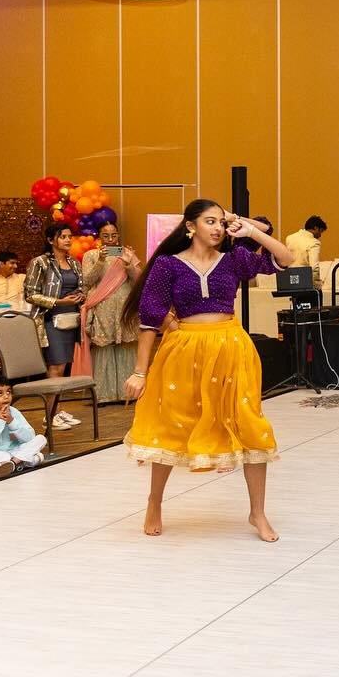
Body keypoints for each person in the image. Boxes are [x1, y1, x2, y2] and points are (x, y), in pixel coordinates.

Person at [121, 200, 295, 541]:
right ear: (191, 226)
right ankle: (154, 502)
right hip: (184, 351)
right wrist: (140, 372)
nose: (217, 228)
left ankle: (257, 512)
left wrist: (245, 225)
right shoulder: (168, 265)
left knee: (250, 426)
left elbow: (286, 259)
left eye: (220, 222)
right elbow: (149, 321)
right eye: (209, 221)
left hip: (231, 349)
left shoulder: (234, 260)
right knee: (172, 426)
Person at [23, 223, 86, 430]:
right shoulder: (39, 263)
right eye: (63, 237)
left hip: (70, 319)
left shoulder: (74, 263)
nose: (68, 240)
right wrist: (58, 302)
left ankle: (56, 411)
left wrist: (79, 296)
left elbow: (82, 287)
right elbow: (30, 294)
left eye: (70, 236)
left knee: (64, 367)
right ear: (51, 240)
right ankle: (48, 417)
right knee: (55, 367)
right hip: (49, 319)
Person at [76, 222, 143, 403]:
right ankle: (103, 395)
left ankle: (127, 394)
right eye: (106, 236)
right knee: (104, 347)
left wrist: (129, 264)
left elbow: (138, 281)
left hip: (124, 307)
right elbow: (88, 281)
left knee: (125, 346)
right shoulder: (91, 255)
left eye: (114, 235)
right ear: (99, 237)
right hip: (103, 306)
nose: (111, 240)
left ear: (118, 236)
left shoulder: (127, 254)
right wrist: (100, 261)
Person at [284, 215, 327, 291]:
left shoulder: (289, 238)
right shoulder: (314, 242)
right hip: (306, 284)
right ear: (316, 228)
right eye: (320, 231)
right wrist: (317, 286)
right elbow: (314, 267)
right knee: (315, 300)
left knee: (296, 302)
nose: (320, 235)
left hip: (291, 282)